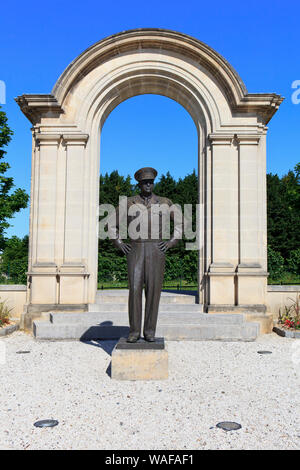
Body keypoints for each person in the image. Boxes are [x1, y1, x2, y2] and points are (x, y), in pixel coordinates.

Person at [110, 167, 182, 343]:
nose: (148, 184)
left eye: (150, 182)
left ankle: (149, 331)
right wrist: (119, 243)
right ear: (139, 184)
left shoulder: (164, 202)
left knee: (154, 291)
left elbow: (181, 223)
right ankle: (134, 331)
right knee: (134, 290)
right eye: (144, 182)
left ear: (153, 183)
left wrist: (172, 242)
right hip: (135, 249)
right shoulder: (128, 202)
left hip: (157, 250)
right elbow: (111, 225)